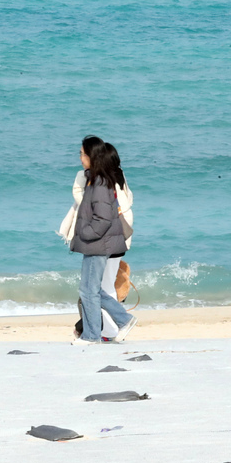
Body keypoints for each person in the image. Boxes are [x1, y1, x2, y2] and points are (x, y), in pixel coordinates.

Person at [63, 136, 136, 339]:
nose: (80, 157)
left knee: (91, 290)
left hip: (99, 242)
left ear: (92, 155)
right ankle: (110, 326)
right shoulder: (94, 178)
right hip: (102, 241)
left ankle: (98, 333)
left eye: (82, 153)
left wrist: (86, 232)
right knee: (90, 289)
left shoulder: (101, 182)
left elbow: (103, 218)